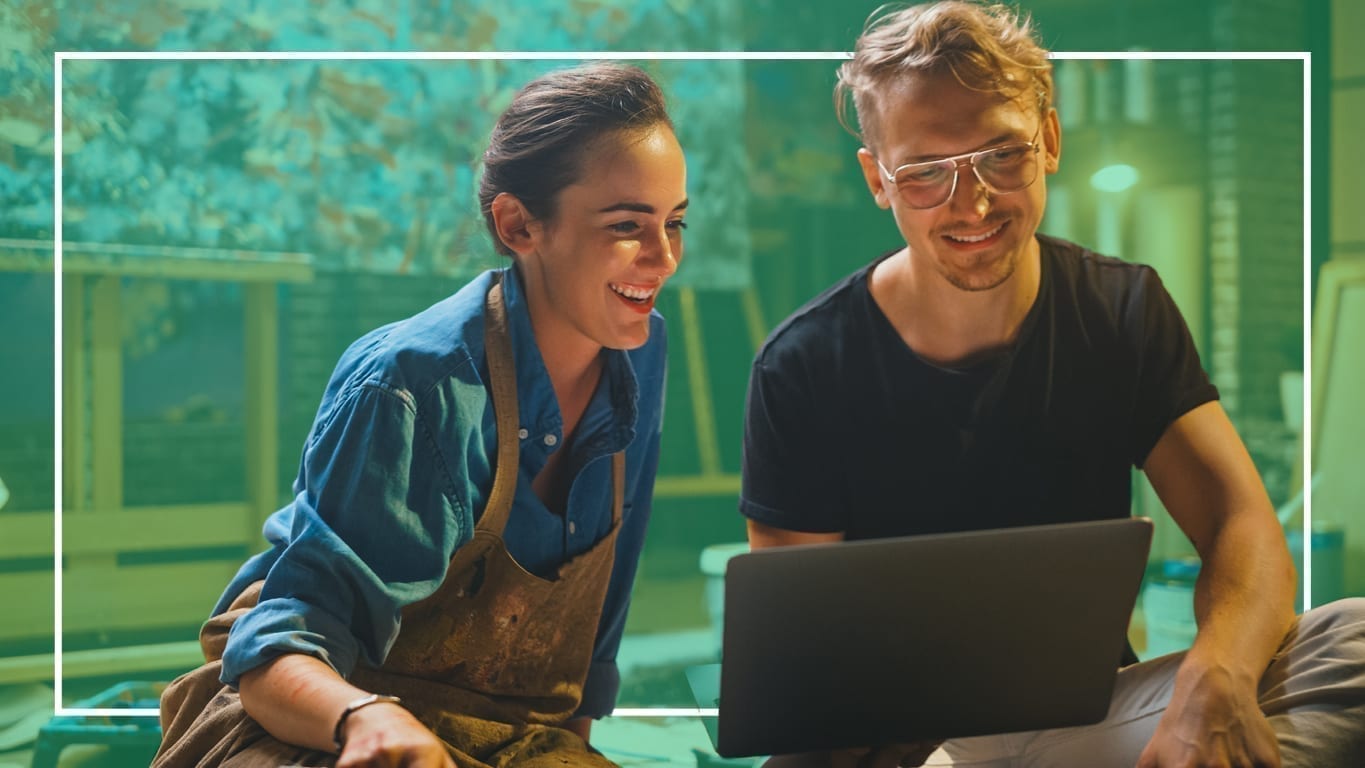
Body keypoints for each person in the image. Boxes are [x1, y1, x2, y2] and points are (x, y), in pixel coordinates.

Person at [739, 2, 1365, 766]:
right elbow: (799, 674)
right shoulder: (803, 366)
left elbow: (1243, 528)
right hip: (909, 750)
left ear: (1051, 141)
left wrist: (1217, 677)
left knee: (1356, 638)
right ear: (878, 180)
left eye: (1001, 156)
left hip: (1088, 721)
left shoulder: (1120, 308)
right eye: (925, 173)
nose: (970, 203)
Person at [153, 62, 688, 768]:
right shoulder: (413, 385)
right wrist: (365, 722)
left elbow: (595, 628)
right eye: (627, 225)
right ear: (518, 224)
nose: (663, 258)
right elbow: (276, 648)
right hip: (324, 730)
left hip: (510, 742)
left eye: (674, 223)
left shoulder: (639, 355)